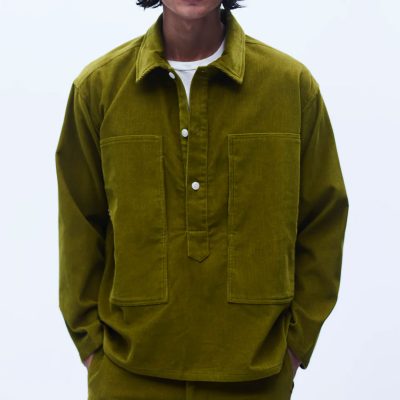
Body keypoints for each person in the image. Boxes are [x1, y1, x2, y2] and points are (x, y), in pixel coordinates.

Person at [54, 0, 349, 398]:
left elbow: (323, 219)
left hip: (256, 377)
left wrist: (294, 347)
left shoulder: (290, 87)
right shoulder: (99, 89)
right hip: (127, 374)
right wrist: (93, 348)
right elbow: (78, 224)